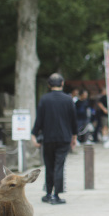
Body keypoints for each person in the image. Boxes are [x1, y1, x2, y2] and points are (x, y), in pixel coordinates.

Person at [31, 73, 78, 204]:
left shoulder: (44, 99)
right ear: (62, 83)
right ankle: (56, 195)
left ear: (49, 85)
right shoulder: (68, 100)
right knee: (59, 166)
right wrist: (74, 137)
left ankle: (48, 193)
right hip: (64, 137)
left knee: (49, 165)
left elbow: (39, 119)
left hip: (48, 137)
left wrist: (34, 134)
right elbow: (74, 121)